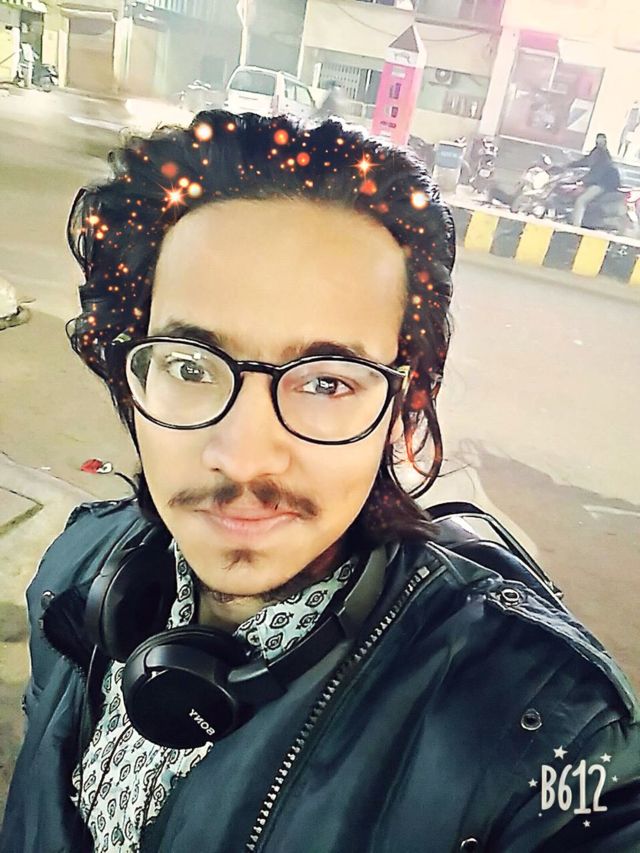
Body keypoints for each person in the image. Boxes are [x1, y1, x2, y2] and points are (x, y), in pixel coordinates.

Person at [2, 110, 640, 853]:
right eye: (188, 365)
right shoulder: (75, 568)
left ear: (403, 409)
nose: (244, 458)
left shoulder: (536, 722)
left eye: (328, 382)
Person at [569, 132, 621, 227]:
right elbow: (586, 161)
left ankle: (575, 226)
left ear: (605, 141)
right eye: (598, 139)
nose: (599, 141)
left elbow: (597, 173)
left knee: (581, 200)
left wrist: (582, 180)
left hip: (603, 184)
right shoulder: (596, 152)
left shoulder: (604, 156)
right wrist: (569, 165)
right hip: (598, 182)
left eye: (602, 140)